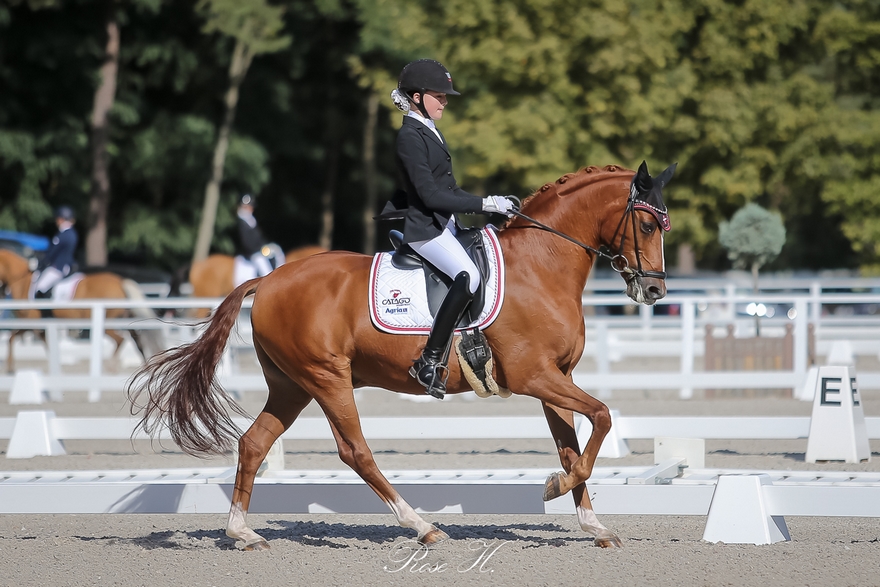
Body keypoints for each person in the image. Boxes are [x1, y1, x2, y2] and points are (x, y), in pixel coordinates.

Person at [385, 59, 515, 399]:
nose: (445, 101)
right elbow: (430, 194)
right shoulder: (409, 136)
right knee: (468, 276)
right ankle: (428, 360)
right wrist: (484, 203)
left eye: (446, 96)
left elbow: (451, 189)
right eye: (438, 96)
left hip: (446, 224)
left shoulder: (429, 129)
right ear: (416, 97)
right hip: (425, 228)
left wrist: (491, 203)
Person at [32, 205, 79, 300]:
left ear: (61, 219)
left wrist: (41, 263)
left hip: (58, 267)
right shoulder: (73, 233)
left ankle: (44, 313)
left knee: (39, 288)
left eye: (58, 219)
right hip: (67, 266)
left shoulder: (62, 235)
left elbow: (52, 253)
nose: (56, 222)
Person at [236, 194, 273, 277]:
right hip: (251, 253)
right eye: (249, 206)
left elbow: (258, 237)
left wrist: (264, 246)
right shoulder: (242, 222)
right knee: (266, 272)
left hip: (257, 251)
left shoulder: (251, 221)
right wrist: (259, 249)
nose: (251, 209)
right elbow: (246, 242)